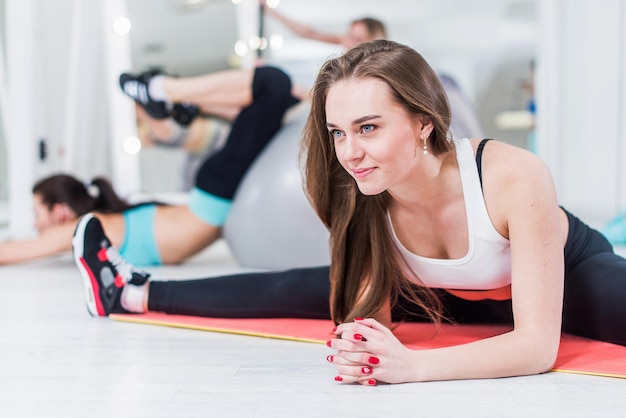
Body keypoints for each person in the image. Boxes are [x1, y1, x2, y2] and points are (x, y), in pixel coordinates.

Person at [72, 40, 626, 387]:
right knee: (301, 287)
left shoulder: (511, 174)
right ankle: (131, 291)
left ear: (423, 123)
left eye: (368, 128)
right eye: (338, 132)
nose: (350, 151)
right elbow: (370, 324)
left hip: (566, 276)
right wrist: (364, 342)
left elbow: (535, 347)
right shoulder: (359, 189)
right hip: (452, 299)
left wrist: (412, 366)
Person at [1, 66, 298, 266]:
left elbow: (13, 252)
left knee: (273, 84)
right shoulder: (94, 225)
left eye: (36, 213)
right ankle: (185, 104)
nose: (35, 224)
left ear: (59, 210)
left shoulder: (82, 226)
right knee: (281, 97)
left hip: (215, 193)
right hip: (215, 196)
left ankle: (161, 90)